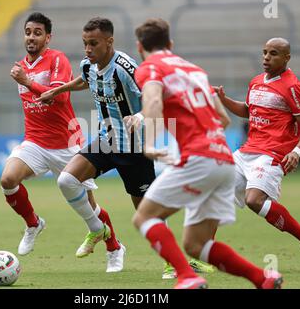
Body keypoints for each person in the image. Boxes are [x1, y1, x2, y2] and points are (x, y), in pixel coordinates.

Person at [37, 17, 214, 277]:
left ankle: (174, 262)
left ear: (109, 42)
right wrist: (57, 91)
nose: (87, 50)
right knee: (66, 180)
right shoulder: (89, 64)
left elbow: (156, 97)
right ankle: (99, 229)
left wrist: (140, 117)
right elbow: (84, 80)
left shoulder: (126, 68)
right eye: (85, 43)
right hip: (106, 140)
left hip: (135, 148)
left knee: (147, 213)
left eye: (93, 44)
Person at [132, 18, 283, 289]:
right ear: (170, 44)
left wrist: (152, 142)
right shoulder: (195, 70)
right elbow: (223, 119)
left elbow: (153, 99)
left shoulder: (149, 68)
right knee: (196, 243)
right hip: (224, 159)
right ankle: (263, 279)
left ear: (140, 47)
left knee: (144, 217)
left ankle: (187, 277)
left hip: (198, 158)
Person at [3, 12, 122, 273]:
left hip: (67, 143)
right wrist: (25, 77)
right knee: (8, 180)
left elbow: (56, 98)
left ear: (48, 37)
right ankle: (33, 223)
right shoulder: (21, 66)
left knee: (89, 206)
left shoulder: (57, 60)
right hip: (35, 141)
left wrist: (26, 81)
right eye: (28, 32)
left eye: (37, 32)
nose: (31, 37)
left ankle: (114, 247)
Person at [214, 37, 300, 271]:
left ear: (286, 58)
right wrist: (223, 100)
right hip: (247, 151)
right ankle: (202, 257)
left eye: (273, 53)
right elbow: (247, 110)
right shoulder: (256, 82)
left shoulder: (293, 86)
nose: (266, 57)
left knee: (255, 201)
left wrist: (296, 151)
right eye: (264, 52)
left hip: (273, 153)